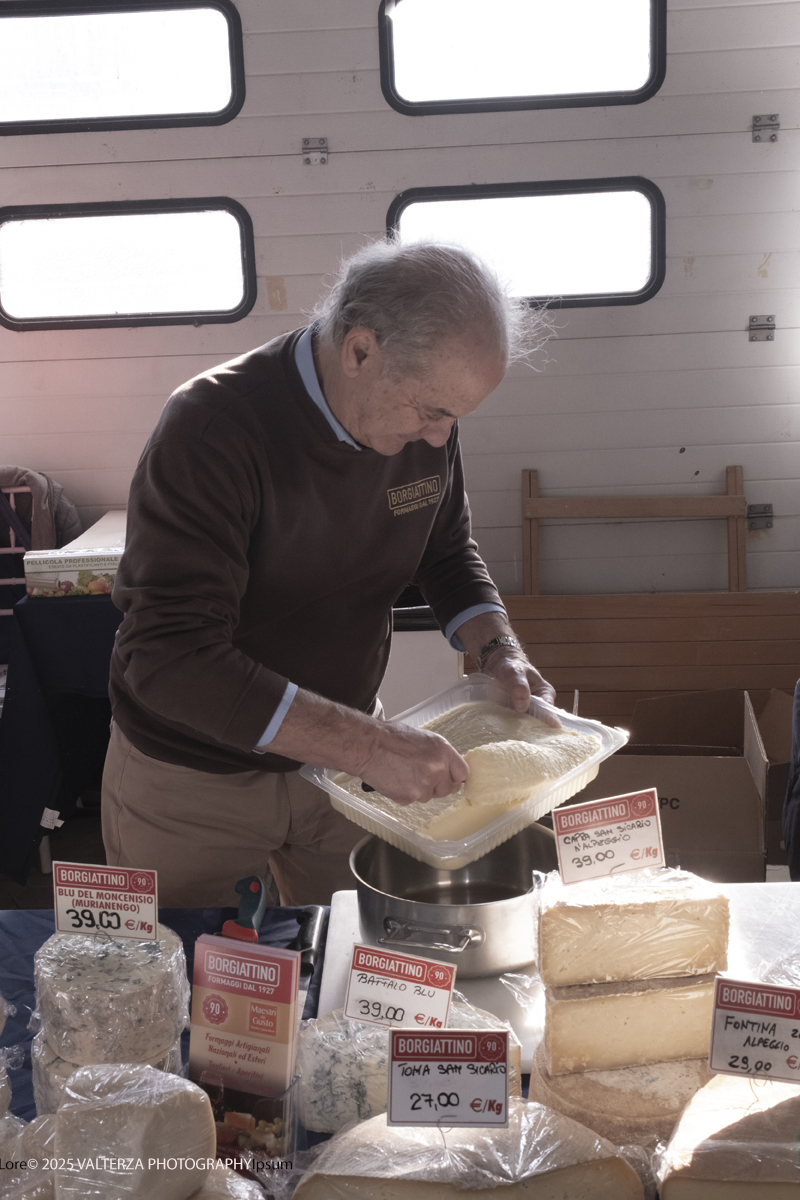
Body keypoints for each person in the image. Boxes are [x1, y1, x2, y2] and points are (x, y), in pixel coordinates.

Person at [102, 240, 555, 907]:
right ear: (361, 350)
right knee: (185, 987)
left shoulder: (425, 422)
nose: (439, 437)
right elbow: (170, 657)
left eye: (454, 417)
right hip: (195, 783)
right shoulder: (212, 429)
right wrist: (371, 746)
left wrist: (498, 650)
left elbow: (446, 550)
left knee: (355, 963)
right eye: (431, 411)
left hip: (341, 768)